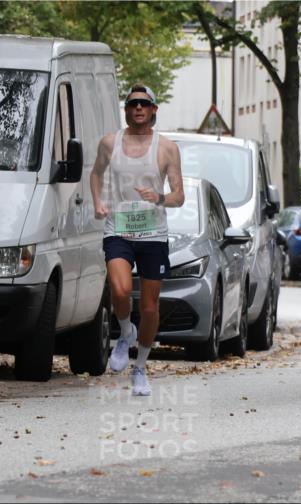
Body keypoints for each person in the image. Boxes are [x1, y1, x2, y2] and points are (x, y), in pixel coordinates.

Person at [90, 84, 184, 396]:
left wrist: (158, 197)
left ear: (154, 110)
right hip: (118, 228)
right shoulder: (109, 143)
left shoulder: (167, 148)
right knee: (119, 289)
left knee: (150, 307)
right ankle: (125, 332)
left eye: (144, 103)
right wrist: (97, 202)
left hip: (153, 234)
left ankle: (140, 367)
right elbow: (95, 174)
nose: (138, 108)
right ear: (126, 110)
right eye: (133, 104)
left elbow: (179, 196)